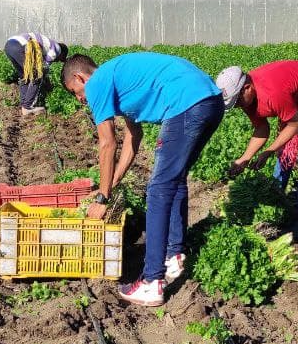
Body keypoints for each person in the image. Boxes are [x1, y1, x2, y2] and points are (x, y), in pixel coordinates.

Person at [62, 52, 224, 307]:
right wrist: (112, 182)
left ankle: (152, 282)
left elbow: (107, 143)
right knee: (174, 179)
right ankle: (174, 255)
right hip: (210, 100)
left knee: (159, 190)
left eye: (75, 92)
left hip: (185, 103)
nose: (81, 100)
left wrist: (102, 198)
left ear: (79, 77)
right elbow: (132, 139)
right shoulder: (120, 82)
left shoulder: (97, 82)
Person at [215, 60, 298, 242]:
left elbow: (295, 124)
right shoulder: (247, 99)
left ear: (247, 88)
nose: (238, 106)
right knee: (286, 152)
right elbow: (261, 129)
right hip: (296, 96)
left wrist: (269, 151)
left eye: (237, 101)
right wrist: (245, 158)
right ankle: (278, 201)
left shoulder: (272, 94)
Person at [4, 32, 68, 117]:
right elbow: (44, 69)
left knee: (24, 76)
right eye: (60, 60)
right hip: (20, 47)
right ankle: (27, 107)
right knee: (37, 76)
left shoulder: (48, 45)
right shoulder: (56, 49)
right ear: (62, 54)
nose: (57, 61)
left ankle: (24, 104)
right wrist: (49, 87)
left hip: (9, 45)